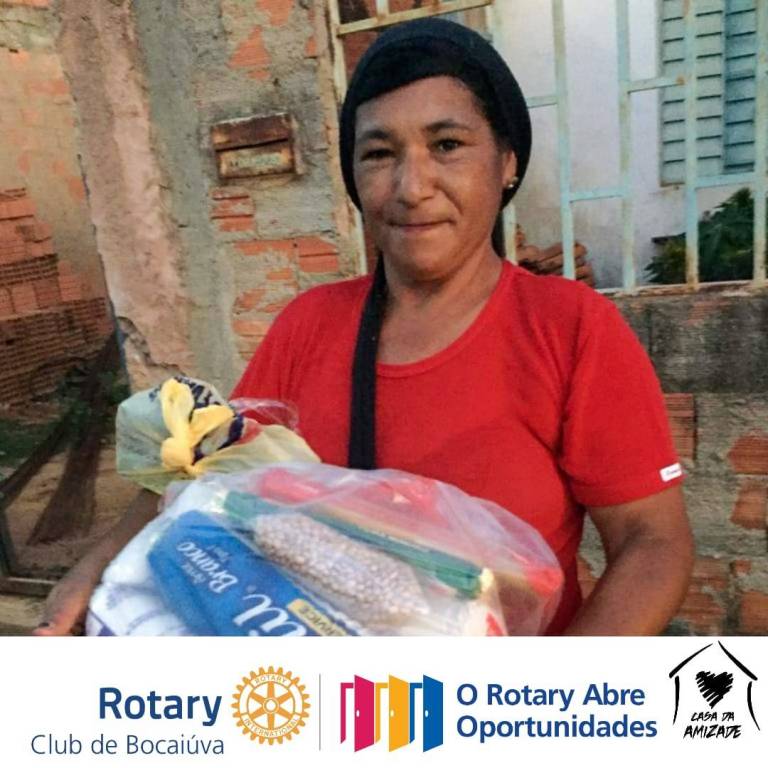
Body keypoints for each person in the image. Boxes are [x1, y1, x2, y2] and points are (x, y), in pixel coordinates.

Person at [35, 18, 693, 637]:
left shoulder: (570, 329)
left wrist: (546, 698)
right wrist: (96, 567)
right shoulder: (310, 324)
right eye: (379, 153)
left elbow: (652, 542)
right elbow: (210, 471)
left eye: (447, 145)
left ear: (507, 161)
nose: (411, 186)